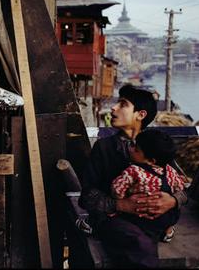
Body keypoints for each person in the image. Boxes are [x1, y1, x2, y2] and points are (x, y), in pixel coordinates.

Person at [79, 84, 188, 268]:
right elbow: (86, 197)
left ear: (140, 115)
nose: (113, 108)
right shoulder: (104, 148)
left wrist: (172, 201)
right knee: (140, 244)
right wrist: (121, 204)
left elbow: (181, 188)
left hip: (151, 220)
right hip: (115, 220)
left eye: (122, 104)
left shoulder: (156, 145)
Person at [110, 129, 185, 244]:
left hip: (141, 216)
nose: (131, 149)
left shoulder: (133, 171)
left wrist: (121, 200)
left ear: (151, 160)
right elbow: (179, 187)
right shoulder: (170, 171)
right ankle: (168, 231)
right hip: (166, 217)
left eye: (136, 150)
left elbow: (117, 189)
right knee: (174, 212)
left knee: (114, 215)